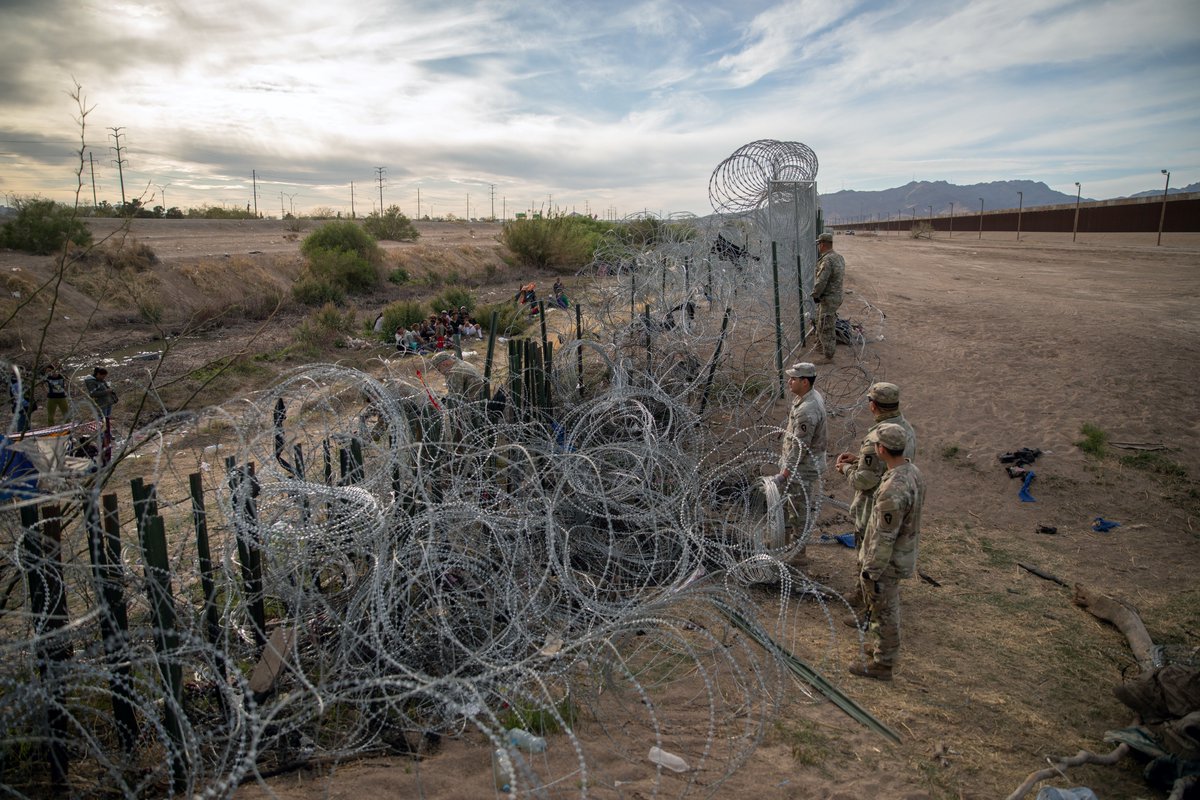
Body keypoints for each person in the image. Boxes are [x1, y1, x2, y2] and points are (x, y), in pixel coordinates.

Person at [850, 422, 925, 681]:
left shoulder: (893, 490)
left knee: (886, 608)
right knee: (883, 607)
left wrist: (871, 570)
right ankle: (882, 647)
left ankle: (884, 663)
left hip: (888, 560)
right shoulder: (911, 471)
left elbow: (884, 536)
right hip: (902, 552)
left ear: (881, 449)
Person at [835, 382, 916, 548]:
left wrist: (846, 469)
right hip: (899, 500)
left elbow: (863, 480)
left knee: (869, 556)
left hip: (874, 507)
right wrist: (859, 460)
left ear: (873, 405)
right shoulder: (906, 429)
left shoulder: (877, 437)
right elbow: (888, 461)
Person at [775, 362, 827, 567]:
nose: (789, 381)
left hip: (802, 467)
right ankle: (786, 543)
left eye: (794, 379)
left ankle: (798, 553)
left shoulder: (807, 409)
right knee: (790, 504)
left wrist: (786, 472)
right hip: (799, 464)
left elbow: (801, 446)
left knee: (798, 509)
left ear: (805, 382)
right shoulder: (807, 398)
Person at [812, 231, 845, 360]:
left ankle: (828, 356)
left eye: (819, 244)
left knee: (826, 326)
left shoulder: (827, 260)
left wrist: (816, 294)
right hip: (835, 296)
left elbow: (822, 280)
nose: (818, 247)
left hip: (828, 298)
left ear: (823, 244)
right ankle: (820, 347)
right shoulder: (838, 257)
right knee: (821, 322)